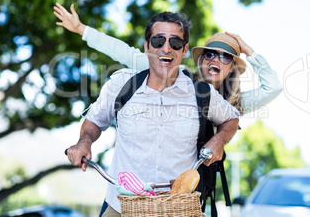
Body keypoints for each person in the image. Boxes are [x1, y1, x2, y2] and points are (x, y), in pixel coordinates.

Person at [64, 11, 240, 216]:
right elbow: (94, 121)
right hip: (122, 205)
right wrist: (84, 141)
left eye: (175, 43)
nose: (166, 48)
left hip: (178, 208)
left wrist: (219, 140)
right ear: (147, 46)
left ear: (184, 50)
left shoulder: (201, 93)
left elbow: (231, 118)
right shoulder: (122, 84)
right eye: (158, 40)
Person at [54, 3, 283, 115]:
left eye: (225, 57)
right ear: (200, 59)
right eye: (210, 54)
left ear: (232, 67)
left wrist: (249, 51)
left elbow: (274, 87)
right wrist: (83, 30)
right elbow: (124, 52)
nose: (215, 60)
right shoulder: (175, 74)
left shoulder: (235, 104)